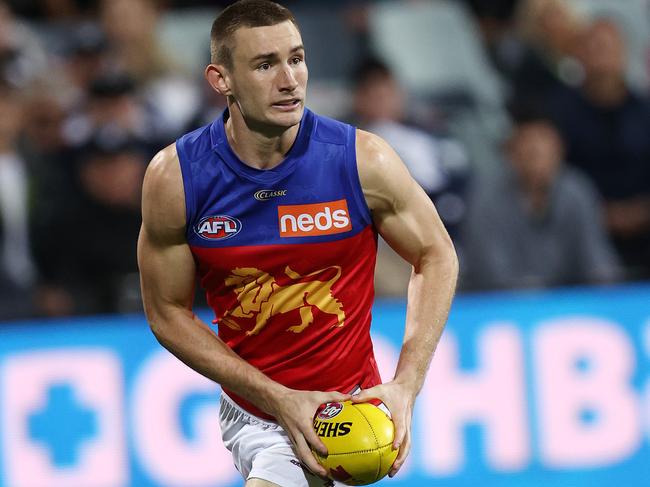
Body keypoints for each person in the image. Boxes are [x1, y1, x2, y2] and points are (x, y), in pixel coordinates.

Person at [137, 1, 458, 486]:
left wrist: (406, 385)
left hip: (352, 405)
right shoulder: (176, 178)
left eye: (297, 58)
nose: (289, 79)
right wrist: (276, 397)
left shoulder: (361, 160)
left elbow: (436, 255)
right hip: (258, 413)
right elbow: (166, 312)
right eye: (265, 65)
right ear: (221, 80)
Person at [460, 104, 621, 290]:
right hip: (502, 309)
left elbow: (598, 262)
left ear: (560, 148)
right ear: (510, 152)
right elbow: (489, 272)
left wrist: (606, 293)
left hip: (569, 306)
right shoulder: (485, 197)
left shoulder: (578, 191)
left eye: (543, 144)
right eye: (527, 146)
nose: (535, 153)